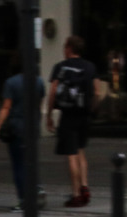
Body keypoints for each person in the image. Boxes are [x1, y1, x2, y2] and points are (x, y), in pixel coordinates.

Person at [47, 35, 97, 207]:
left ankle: (76, 195)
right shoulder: (90, 67)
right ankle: (85, 187)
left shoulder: (60, 67)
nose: (63, 49)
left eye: (64, 46)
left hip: (68, 115)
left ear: (69, 48)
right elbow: (97, 92)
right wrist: (91, 109)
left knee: (71, 154)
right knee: (81, 150)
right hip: (84, 115)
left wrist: (48, 115)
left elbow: (53, 92)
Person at [0, 56, 46, 211]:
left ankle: (23, 199)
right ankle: (37, 187)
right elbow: (39, 104)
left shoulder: (11, 83)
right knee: (31, 160)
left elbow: (6, 108)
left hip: (17, 127)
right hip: (33, 127)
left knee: (19, 165)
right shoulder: (39, 81)